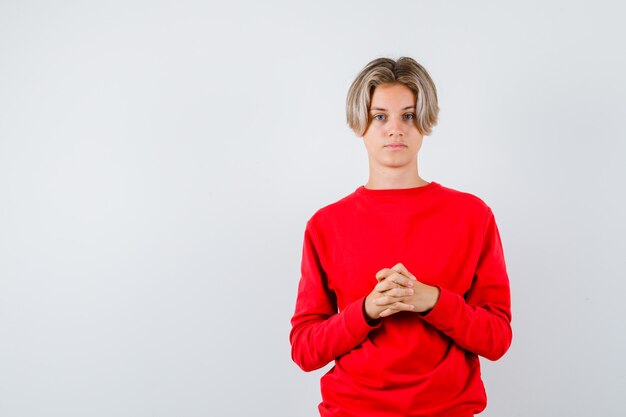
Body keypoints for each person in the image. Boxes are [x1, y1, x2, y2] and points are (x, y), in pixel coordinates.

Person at [289, 57, 512, 417]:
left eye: (408, 116)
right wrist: (366, 310)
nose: (395, 129)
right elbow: (305, 349)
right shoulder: (325, 225)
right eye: (380, 116)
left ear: (425, 123)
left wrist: (434, 302)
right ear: (359, 124)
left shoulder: (473, 216)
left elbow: (497, 338)